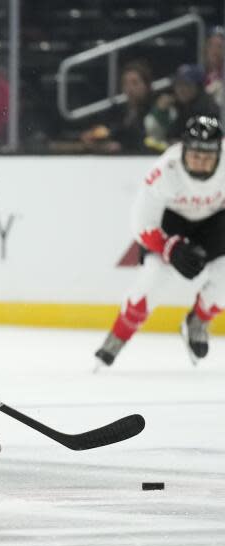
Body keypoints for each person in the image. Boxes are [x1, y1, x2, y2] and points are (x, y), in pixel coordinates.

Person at [95, 116, 225, 369]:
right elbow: (141, 223)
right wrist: (170, 247)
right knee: (154, 279)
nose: (201, 162)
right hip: (171, 225)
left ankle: (198, 321)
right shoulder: (165, 171)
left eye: (208, 157)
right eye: (196, 155)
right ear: (184, 149)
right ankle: (117, 338)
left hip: (215, 222)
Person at [80, 61, 154, 154]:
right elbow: (105, 130)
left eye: (135, 83)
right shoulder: (116, 111)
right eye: (125, 83)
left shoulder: (154, 110)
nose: (129, 88)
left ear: (146, 86)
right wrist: (95, 139)